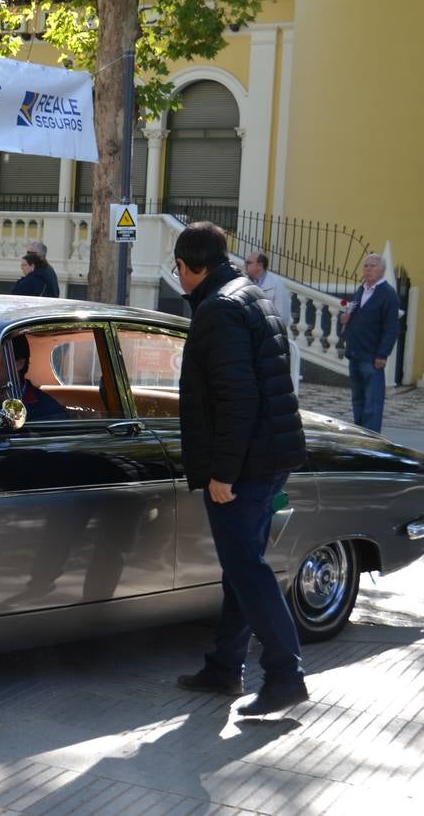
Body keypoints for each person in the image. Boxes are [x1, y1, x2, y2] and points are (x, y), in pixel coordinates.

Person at [173, 221, 308, 716]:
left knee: (247, 570)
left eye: (180, 268)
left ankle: (285, 675)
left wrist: (223, 474)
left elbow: (237, 399)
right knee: (240, 567)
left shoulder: (220, 310)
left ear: (196, 267)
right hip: (269, 457)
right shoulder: (249, 294)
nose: (178, 276)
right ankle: (225, 667)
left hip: (244, 466)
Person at [340, 253, 400, 433]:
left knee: (372, 403)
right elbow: (354, 314)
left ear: (382, 270)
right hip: (355, 353)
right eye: (366, 266)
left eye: (372, 266)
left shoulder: (388, 295)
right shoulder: (361, 290)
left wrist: (383, 354)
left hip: (372, 356)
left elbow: (391, 328)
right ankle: (360, 434)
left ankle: (371, 439)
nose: (368, 269)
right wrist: (345, 318)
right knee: (358, 399)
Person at [245, 250, 300, 393]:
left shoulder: (276, 285)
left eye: (249, 262)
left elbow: (282, 317)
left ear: (260, 266)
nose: (245, 265)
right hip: (248, 340)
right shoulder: (244, 282)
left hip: (267, 341)